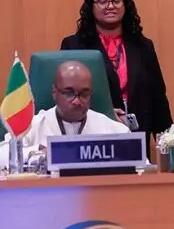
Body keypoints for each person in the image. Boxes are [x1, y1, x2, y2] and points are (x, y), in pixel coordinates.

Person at [60, 0, 173, 136]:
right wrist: (105, 114)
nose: (110, 6)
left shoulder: (143, 46)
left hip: (138, 135)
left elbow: (158, 97)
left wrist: (168, 140)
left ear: (125, 5)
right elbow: (67, 97)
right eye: (103, 1)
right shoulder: (74, 46)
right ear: (91, 7)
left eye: (116, 1)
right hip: (93, 134)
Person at [0, 61, 130, 166]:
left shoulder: (109, 127)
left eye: (84, 94)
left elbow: (135, 154)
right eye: (69, 93)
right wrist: (38, 152)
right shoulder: (33, 126)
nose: (77, 101)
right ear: (54, 92)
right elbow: (3, 154)